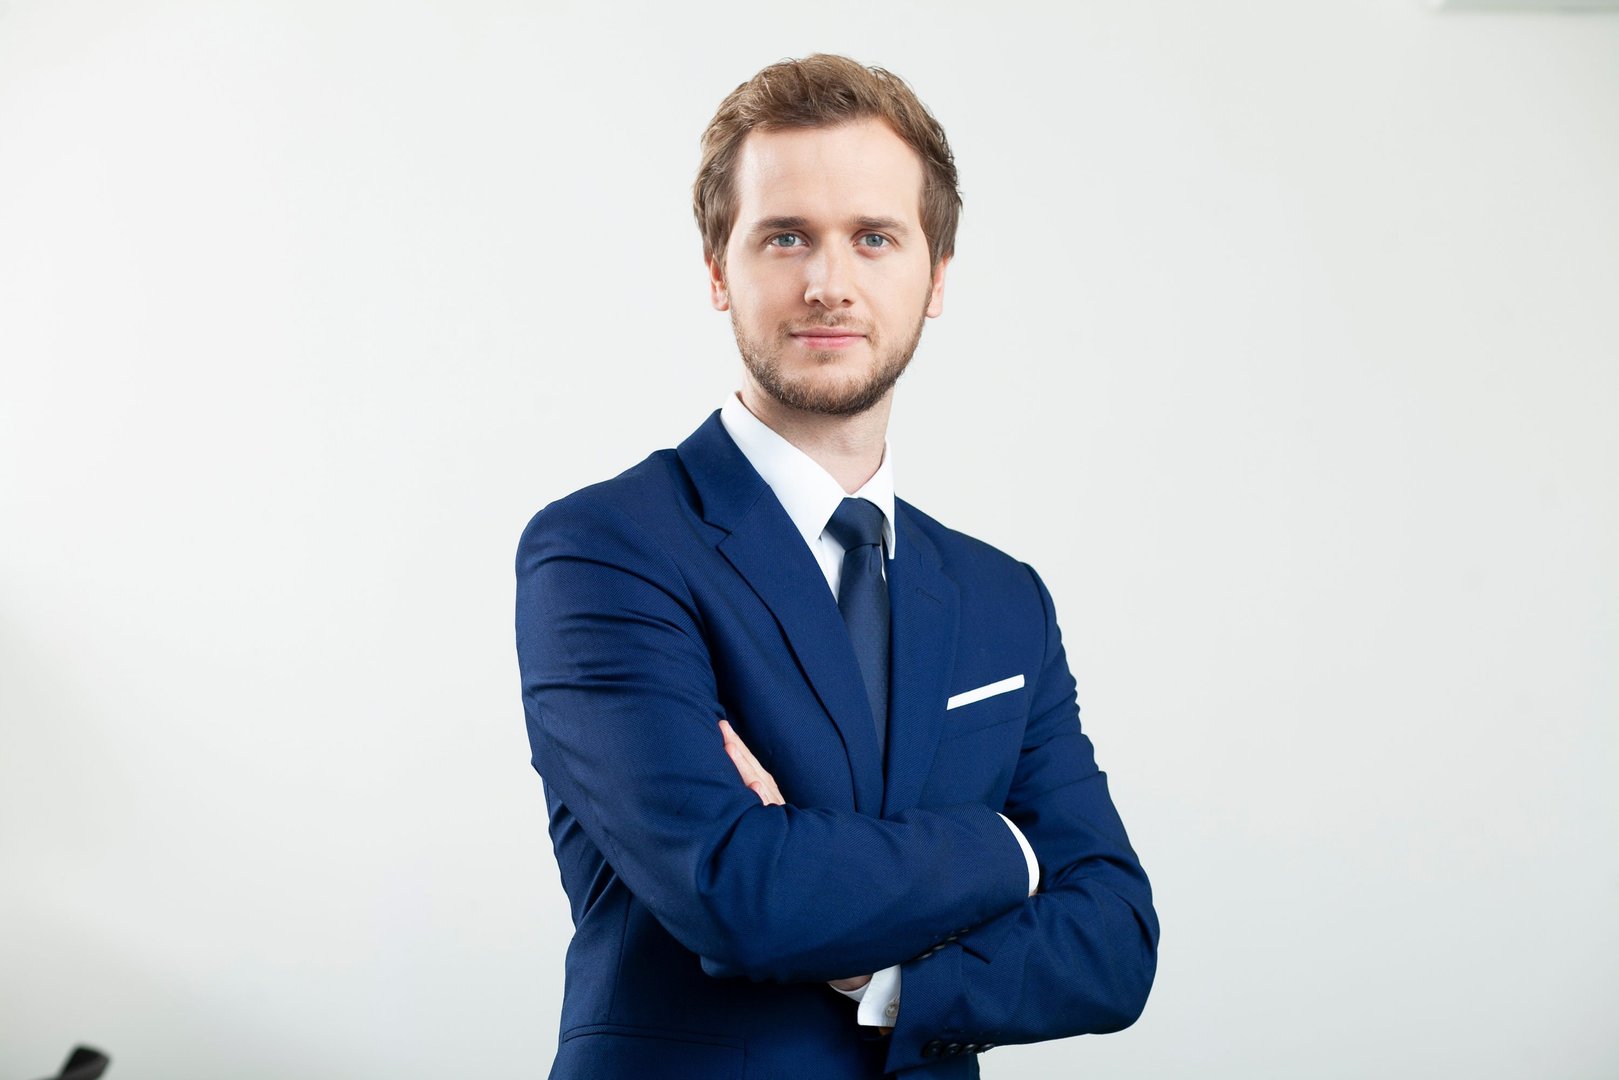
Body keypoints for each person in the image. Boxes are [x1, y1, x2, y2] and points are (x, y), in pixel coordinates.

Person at [515, 53, 1158, 1080]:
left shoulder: (1002, 601)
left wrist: (883, 978)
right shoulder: (604, 551)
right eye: (784, 237)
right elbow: (739, 893)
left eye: (872, 237)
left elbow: (1114, 941)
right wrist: (1008, 849)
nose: (827, 283)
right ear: (717, 270)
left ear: (935, 277)